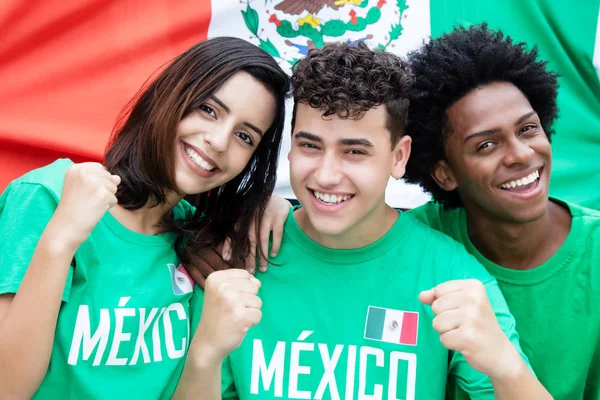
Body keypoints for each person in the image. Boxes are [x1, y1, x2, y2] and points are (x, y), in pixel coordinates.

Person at [179, 42, 551, 399]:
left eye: (354, 151)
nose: (326, 175)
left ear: (398, 156)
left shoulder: (451, 274)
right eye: (310, 145)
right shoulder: (238, 257)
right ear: (290, 147)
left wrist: (506, 366)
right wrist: (204, 354)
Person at [0, 36, 290, 399]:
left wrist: (207, 353)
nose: (219, 141)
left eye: (245, 136)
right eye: (208, 109)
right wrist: (60, 242)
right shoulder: (48, 196)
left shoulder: (198, 243)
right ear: (169, 95)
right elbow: (7, 388)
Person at [401, 24, 600, 400]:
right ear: (444, 173)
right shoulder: (411, 244)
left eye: (528, 129)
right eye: (487, 144)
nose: (522, 154)